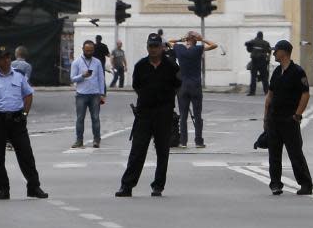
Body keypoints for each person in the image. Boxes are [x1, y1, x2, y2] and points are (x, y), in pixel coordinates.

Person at [0, 48, 48, 200]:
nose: (6, 60)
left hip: (17, 121)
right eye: (2, 58)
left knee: (26, 154)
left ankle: (34, 187)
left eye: (8, 57)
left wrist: (24, 114)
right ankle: (3, 189)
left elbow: (28, 95)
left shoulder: (19, 75)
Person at [116, 33, 181, 197]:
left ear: (161, 47)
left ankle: (158, 185)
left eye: (156, 46)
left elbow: (177, 85)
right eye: (150, 46)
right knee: (137, 150)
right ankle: (127, 186)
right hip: (144, 113)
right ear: (147, 47)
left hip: (164, 113)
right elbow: (136, 86)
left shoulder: (171, 66)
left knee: (162, 150)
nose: (153, 49)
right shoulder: (141, 66)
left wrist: (165, 102)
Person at [264, 40, 313, 195]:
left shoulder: (297, 72)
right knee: (274, 154)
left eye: (276, 51)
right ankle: (275, 184)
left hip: (289, 119)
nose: (274, 53)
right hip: (274, 120)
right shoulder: (276, 72)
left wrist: (298, 115)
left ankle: (306, 184)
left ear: (284, 52)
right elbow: (270, 95)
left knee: (295, 153)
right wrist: (266, 118)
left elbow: (305, 94)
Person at [169, 31, 218, 148]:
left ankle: (183, 141)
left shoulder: (179, 48)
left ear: (187, 39)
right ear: (196, 40)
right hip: (195, 86)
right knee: (197, 115)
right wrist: (202, 39)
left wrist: (182, 39)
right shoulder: (198, 49)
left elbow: (169, 42)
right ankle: (199, 141)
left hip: (183, 86)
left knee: (183, 116)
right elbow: (214, 45)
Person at [70, 40, 107, 149]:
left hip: (95, 94)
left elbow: (101, 78)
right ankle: (79, 140)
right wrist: (82, 76)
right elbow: (72, 79)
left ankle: (96, 140)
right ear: (83, 49)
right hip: (81, 94)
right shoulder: (76, 62)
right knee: (80, 118)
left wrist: (102, 93)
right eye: (87, 51)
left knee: (95, 118)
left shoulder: (97, 62)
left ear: (93, 50)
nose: (89, 53)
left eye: (91, 51)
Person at [245, 32, 271, 96]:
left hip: (254, 61)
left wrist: (251, 48)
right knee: (264, 77)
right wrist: (268, 60)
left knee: (253, 77)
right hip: (263, 61)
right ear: (262, 36)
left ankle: (252, 92)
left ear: (257, 36)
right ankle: (266, 92)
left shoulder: (253, 41)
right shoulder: (266, 43)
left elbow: (247, 46)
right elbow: (269, 51)